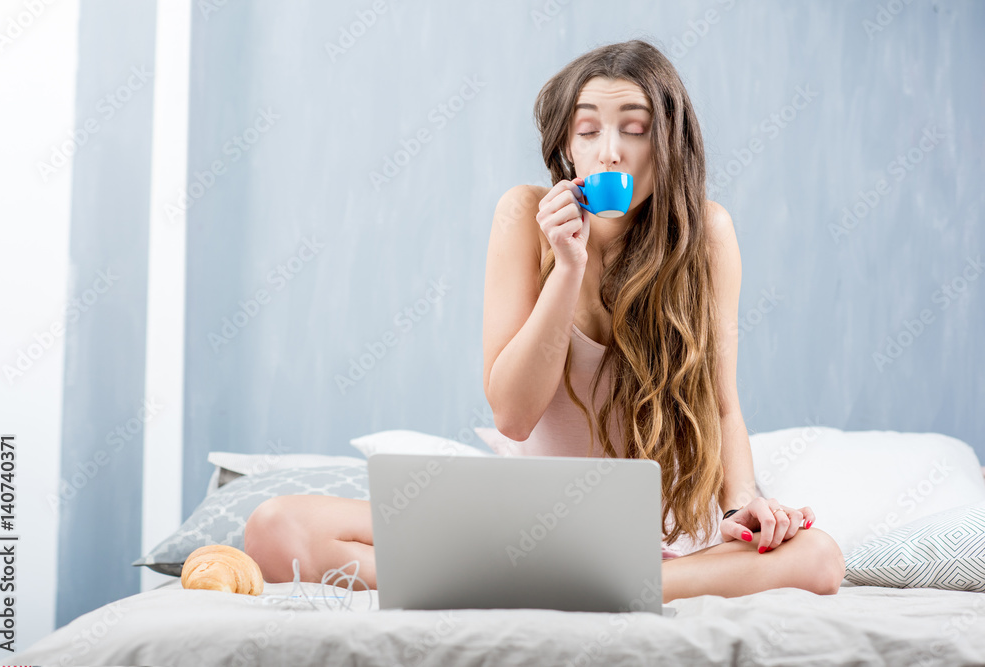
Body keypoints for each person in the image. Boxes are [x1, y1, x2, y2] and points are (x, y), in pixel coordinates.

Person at [244, 39, 845, 603]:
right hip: (537, 519)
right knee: (276, 528)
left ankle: (592, 582)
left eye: (635, 130)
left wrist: (742, 506)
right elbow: (513, 413)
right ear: (566, 148)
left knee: (819, 557)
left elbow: (721, 405)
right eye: (588, 130)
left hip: (663, 527)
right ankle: (586, 580)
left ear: (669, 144)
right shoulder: (524, 215)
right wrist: (566, 269)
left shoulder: (707, 235)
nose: (610, 150)